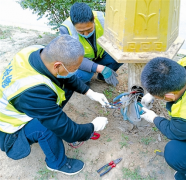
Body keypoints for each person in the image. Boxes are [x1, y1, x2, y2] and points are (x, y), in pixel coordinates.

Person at [0, 35, 110, 175]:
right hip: (10, 131)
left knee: (66, 87)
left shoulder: (38, 51)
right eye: (73, 68)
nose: (75, 72)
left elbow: (68, 77)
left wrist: (90, 92)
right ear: (57, 65)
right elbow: (71, 133)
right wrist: (93, 126)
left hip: (22, 105)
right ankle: (57, 163)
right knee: (46, 126)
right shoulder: (33, 93)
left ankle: (53, 123)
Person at [60, 2, 123, 86]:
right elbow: (72, 59)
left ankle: (102, 77)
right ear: (73, 23)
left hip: (100, 54)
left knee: (120, 56)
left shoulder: (103, 18)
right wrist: (99, 68)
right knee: (84, 76)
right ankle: (84, 80)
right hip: (80, 60)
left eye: (89, 30)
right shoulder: (65, 30)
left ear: (93, 18)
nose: (86, 34)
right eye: (81, 32)